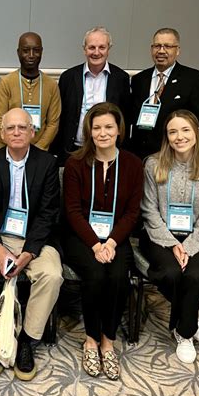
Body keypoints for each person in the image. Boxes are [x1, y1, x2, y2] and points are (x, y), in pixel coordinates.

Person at [0, 107, 63, 381]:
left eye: (23, 127)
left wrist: (29, 252)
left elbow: (48, 213)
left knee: (52, 274)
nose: (17, 132)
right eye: (11, 128)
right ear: (2, 133)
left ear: (33, 132)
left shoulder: (47, 163)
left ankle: (27, 341)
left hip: (35, 238)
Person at [63, 102, 143, 380]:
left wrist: (110, 243)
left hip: (116, 238)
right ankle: (90, 339)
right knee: (95, 274)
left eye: (109, 127)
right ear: (89, 131)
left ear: (119, 130)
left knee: (119, 275)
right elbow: (72, 211)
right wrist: (96, 246)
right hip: (80, 238)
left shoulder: (133, 164)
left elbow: (132, 212)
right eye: (96, 127)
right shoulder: (75, 163)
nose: (103, 133)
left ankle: (108, 340)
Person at [140, 110, 199, 364]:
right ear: (166, 137)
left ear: (197, 132)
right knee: (170, 273)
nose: (179, 137)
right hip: (158, 235)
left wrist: (189, 245)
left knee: (196, 276)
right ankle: (190, 320)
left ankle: (184, 331)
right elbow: (149, 210)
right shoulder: (153, 165)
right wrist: (173, 243)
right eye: (173, 132)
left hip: (197, 236)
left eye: (185, 130)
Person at [51, 27, 130, 165]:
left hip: (107, 150)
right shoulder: (68, 77)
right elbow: (60, 116)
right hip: (73, 150)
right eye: (92, 47)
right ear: (84, 49)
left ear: (109, 49)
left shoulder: (120, 78)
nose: (96, 52)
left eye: (102, 47)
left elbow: (125, 117)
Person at [129, 28, 199, 160]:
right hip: (140, 155)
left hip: (174, 156)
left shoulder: (193, 79)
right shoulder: (139, 79)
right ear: (151, 49)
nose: (161, 51)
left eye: (167, 46)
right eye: (157, 46)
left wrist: (192, 157)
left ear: (177, 50)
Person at [0, 32, 61, 150]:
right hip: (7, 150)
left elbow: (53, 124)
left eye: (36, 50)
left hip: (39, 152)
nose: (31, 55)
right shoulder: (6, 82)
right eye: (26, 51)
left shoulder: (51, 85)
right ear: (18, 52)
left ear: (42, 52)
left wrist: (36, 151)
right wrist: (15, 146)